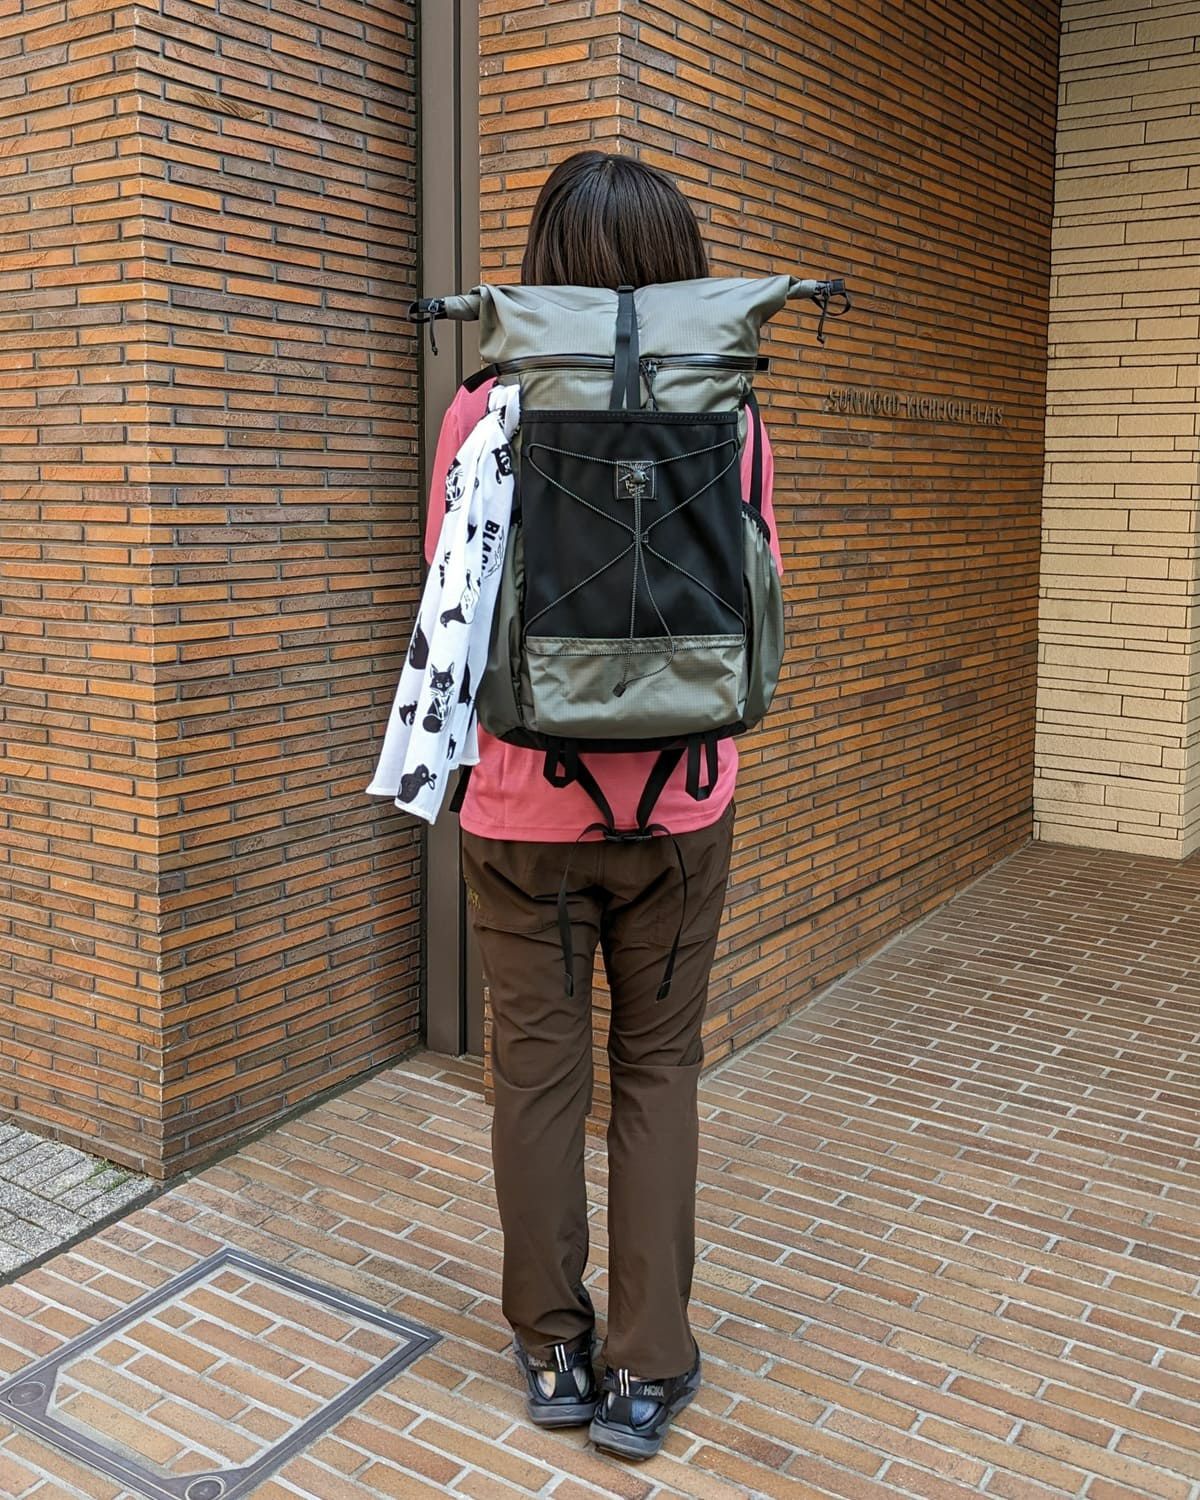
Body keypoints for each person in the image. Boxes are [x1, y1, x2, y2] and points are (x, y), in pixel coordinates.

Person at [422, 150, 784, 1462]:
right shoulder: (731, 411)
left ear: (545, 270)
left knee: (534, 1075)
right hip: (679, 806)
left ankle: (551, 1349)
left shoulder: (484, 406)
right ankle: (647, 1367)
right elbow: (761, 590)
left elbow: (453, 599)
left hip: (522, 807)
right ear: (681, 271)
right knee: (657, 1069)